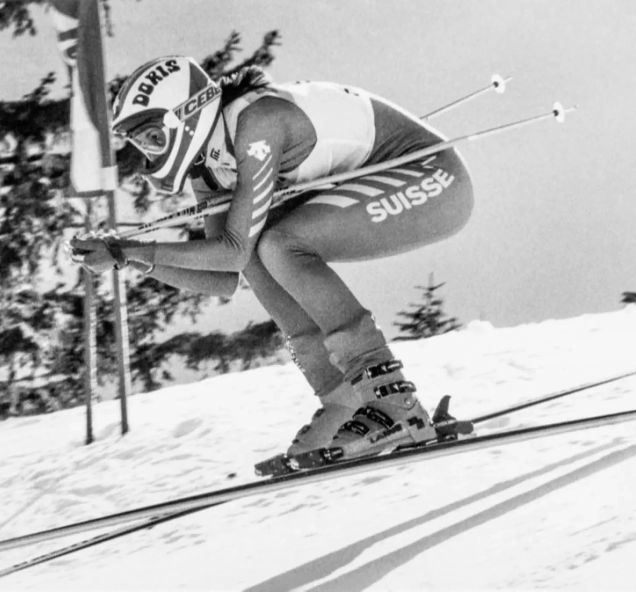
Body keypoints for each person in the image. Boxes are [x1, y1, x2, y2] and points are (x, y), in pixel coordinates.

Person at [70, 55, 473, 461]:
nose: (148, 156)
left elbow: (230, 250)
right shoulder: (207, 169)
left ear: (186, 116)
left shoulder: (257, 123)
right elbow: (224, 276)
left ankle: (393, 400)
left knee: (279, 244)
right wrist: (128, 259)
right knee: (261, 253)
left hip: (433, 176)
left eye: (154, 138)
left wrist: (133, 249)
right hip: (384, 181)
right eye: (140, 144)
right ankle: (345, 401)